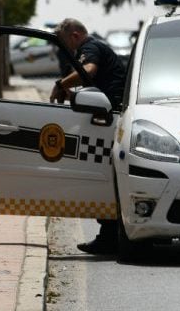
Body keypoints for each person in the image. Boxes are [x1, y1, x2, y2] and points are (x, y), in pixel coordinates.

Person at [49, 18, 128, 254]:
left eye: (65, 44)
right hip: (108, 117)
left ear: (74, 35)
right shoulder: (93, 46)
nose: (67, 51)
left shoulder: (89, 47)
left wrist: (61, 84)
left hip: (110, 119)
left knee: (102, 174)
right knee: (104, 175)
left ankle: (110, 235)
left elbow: (89, 71)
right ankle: (109, 233)